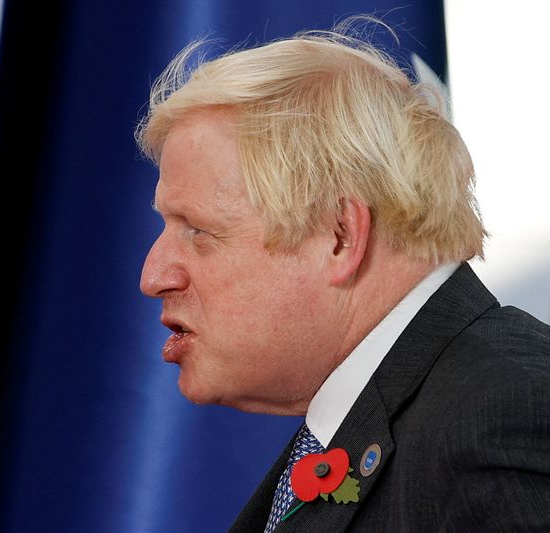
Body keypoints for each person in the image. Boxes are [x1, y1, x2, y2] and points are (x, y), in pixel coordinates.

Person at [136, 27, 550, 532]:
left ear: (339, 237)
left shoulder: (503, 420)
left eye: (198, 230)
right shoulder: (407, 413)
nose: (153, 276)